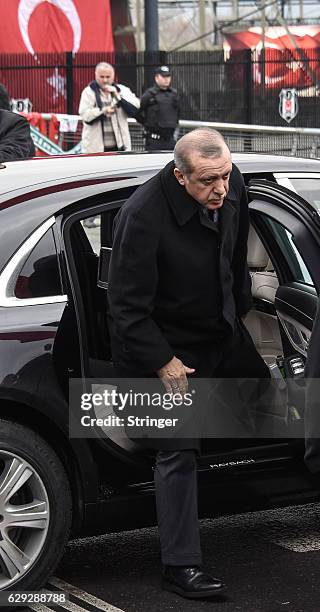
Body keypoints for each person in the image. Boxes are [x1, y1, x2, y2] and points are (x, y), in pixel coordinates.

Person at [108, 128, 270, 599]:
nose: (220, 189)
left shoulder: (230, 183)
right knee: (178, 450)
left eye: (224, 175)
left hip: (219, 333)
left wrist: (238, 309)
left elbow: (233, 252)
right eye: (207, 181)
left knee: (289, 411)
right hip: (163, 351)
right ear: (180, 177)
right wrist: (163, 361)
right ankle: (180, 567)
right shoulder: (141, 216)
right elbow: (126, 308)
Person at [79, 61, 140, 227]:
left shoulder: (121, 90)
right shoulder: (89, 92)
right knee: (96, 181)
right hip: (97, 147)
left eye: (108, 77)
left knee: (120, 181)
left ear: (113, 76)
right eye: (102, 77)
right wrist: (103, 111)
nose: (105, 80)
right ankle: (90, 216)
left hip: (119, 146)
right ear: (96, 75)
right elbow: (85, 115)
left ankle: (117, 215)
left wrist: (118, 97)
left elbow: (136, 106)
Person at [135, 65, 179, 151]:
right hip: (154, 140)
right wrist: (147, 124)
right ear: (156, 78)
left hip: (170, 139)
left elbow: (177, 113)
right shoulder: (149, 94)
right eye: (163, 76)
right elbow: (138, 113)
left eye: (168, 76)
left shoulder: (174, 94)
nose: (166, 79)